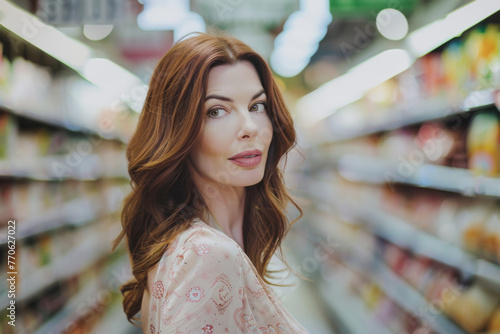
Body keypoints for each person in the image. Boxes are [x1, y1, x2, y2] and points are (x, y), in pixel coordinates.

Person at [112, 30, 309, 333]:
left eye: (257, 106)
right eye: (216, 111)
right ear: (177, 132)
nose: (249, 127)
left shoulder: (201, 244)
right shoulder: (210, 256)